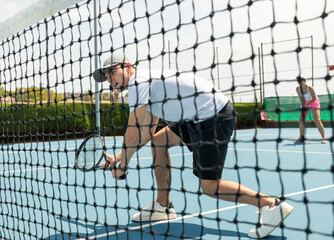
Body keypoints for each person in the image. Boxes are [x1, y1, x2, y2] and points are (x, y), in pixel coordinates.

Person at [93, 54, 294, 239]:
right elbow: (147, 132)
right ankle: (163, 206)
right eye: (106, 76)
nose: (109, 79)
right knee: (159, 141)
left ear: (128, 66)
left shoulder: (138, 82)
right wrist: (119, 157)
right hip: (195, 118)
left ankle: (271, 204)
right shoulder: (146, 85)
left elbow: (133, 131)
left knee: (210, 187)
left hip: (213, 117)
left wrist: (123, 167)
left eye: (112, 72)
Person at [295, 76, 326, 144]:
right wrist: (303, 105)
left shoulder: (310, 88)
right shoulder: (298, 89)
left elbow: (314, 98)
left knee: (317, 120)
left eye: (301, 81)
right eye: (299, 81)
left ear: (305, 81)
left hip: (314, 102)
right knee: (301, 120)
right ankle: (301, 138)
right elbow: (300, 98)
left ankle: (323, 138)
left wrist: (307, 104)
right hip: (305, 103)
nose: (300, 83)